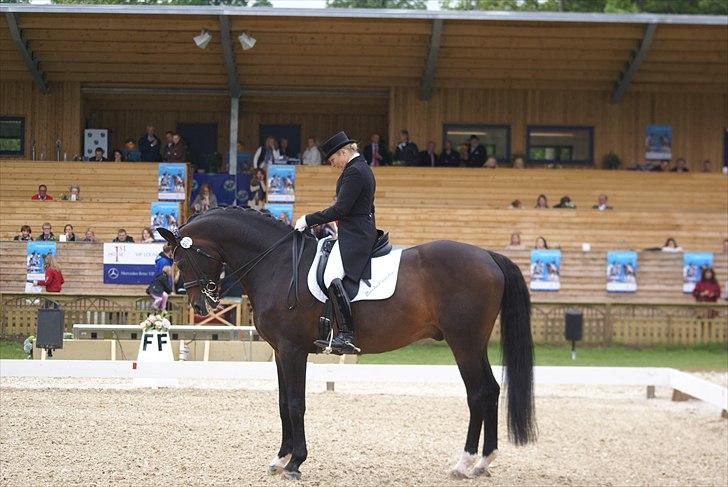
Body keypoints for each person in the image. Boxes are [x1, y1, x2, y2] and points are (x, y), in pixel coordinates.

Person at [294, 131, 376, 354]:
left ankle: (346, 335)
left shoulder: (355, 172)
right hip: (354, 231)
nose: (332, 165)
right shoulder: (357, 169)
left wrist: (308, 220)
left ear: (343, 152)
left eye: (332, 160)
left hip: (356, 235)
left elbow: (341, 209)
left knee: (331, 276)